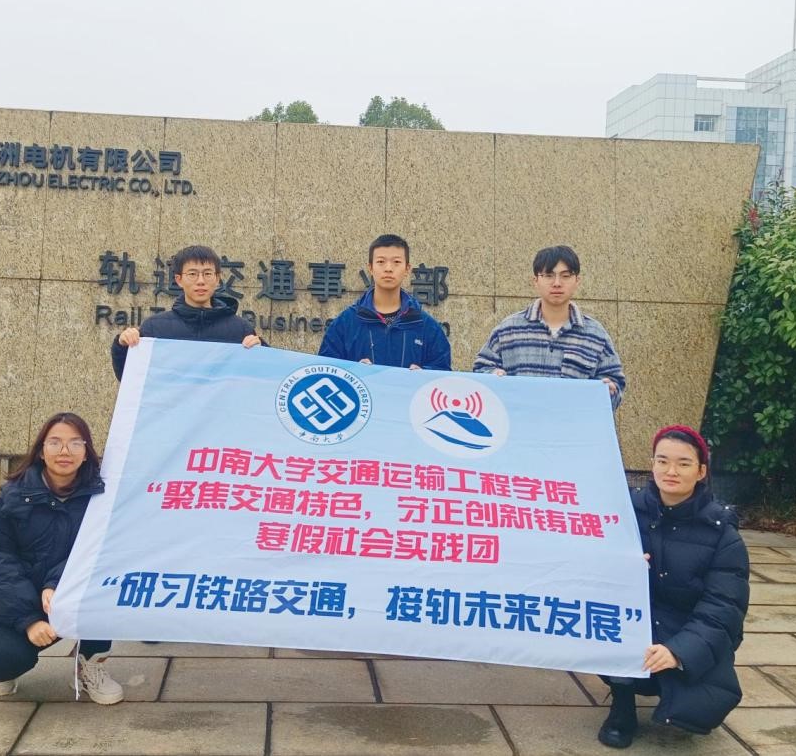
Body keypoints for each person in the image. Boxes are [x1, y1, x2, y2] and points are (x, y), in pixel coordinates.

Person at [597, 425, 750, 748]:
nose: (671, 471)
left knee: (699, 702)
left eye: (683, 463)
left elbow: (723, 608)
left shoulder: (721, 533)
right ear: (652, 464)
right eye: (662, 461)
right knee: (607, 618)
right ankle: (622, 705)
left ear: (701, 471)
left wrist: (679, 651)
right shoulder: (624, 512)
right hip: (636, 619)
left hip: (683, 623)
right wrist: (615, 563)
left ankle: (673, 681)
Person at [0, 412, 124, 704]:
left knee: (107, 585)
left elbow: (102, 551)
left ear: (87, 452)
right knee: (2, 658)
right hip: (3, 593)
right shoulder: (12, 497)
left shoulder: (102, 497)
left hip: (66, 592)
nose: (65, 451)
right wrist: (28, 620)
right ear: (41, 450)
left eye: (76, 443)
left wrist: (55, 584)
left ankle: (91, 664)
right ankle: (5, 668)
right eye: (55, 442)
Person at [472, 245, 626, 407]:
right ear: (536, 281)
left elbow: (615, 383)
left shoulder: (595, 334)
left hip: (572, 422)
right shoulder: (509, 329)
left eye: (565, 276)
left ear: (577, 281)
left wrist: (609, 391)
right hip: (521, 421)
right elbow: (481, 369)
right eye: (548, 275)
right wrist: (493, 376)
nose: (557, 283)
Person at [111, 244, 261, 380]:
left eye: (207, 274)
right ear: (179, 279)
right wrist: (123, 345)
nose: (200, 281)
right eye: (192, 274)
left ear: (217, 278)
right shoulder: (155, 328)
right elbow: (128, 377)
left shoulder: (240, 330)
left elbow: (259, 381)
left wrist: (261, 352)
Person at [318, 234, 451, 370]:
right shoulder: (346, 323)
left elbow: (443, 373)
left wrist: (423, 375)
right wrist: (354, 372)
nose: (388, 268)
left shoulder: (426, 326)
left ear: (407, 269)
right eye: (381, 262)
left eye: (396, 262)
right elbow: (326, 370)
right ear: (370, 268)